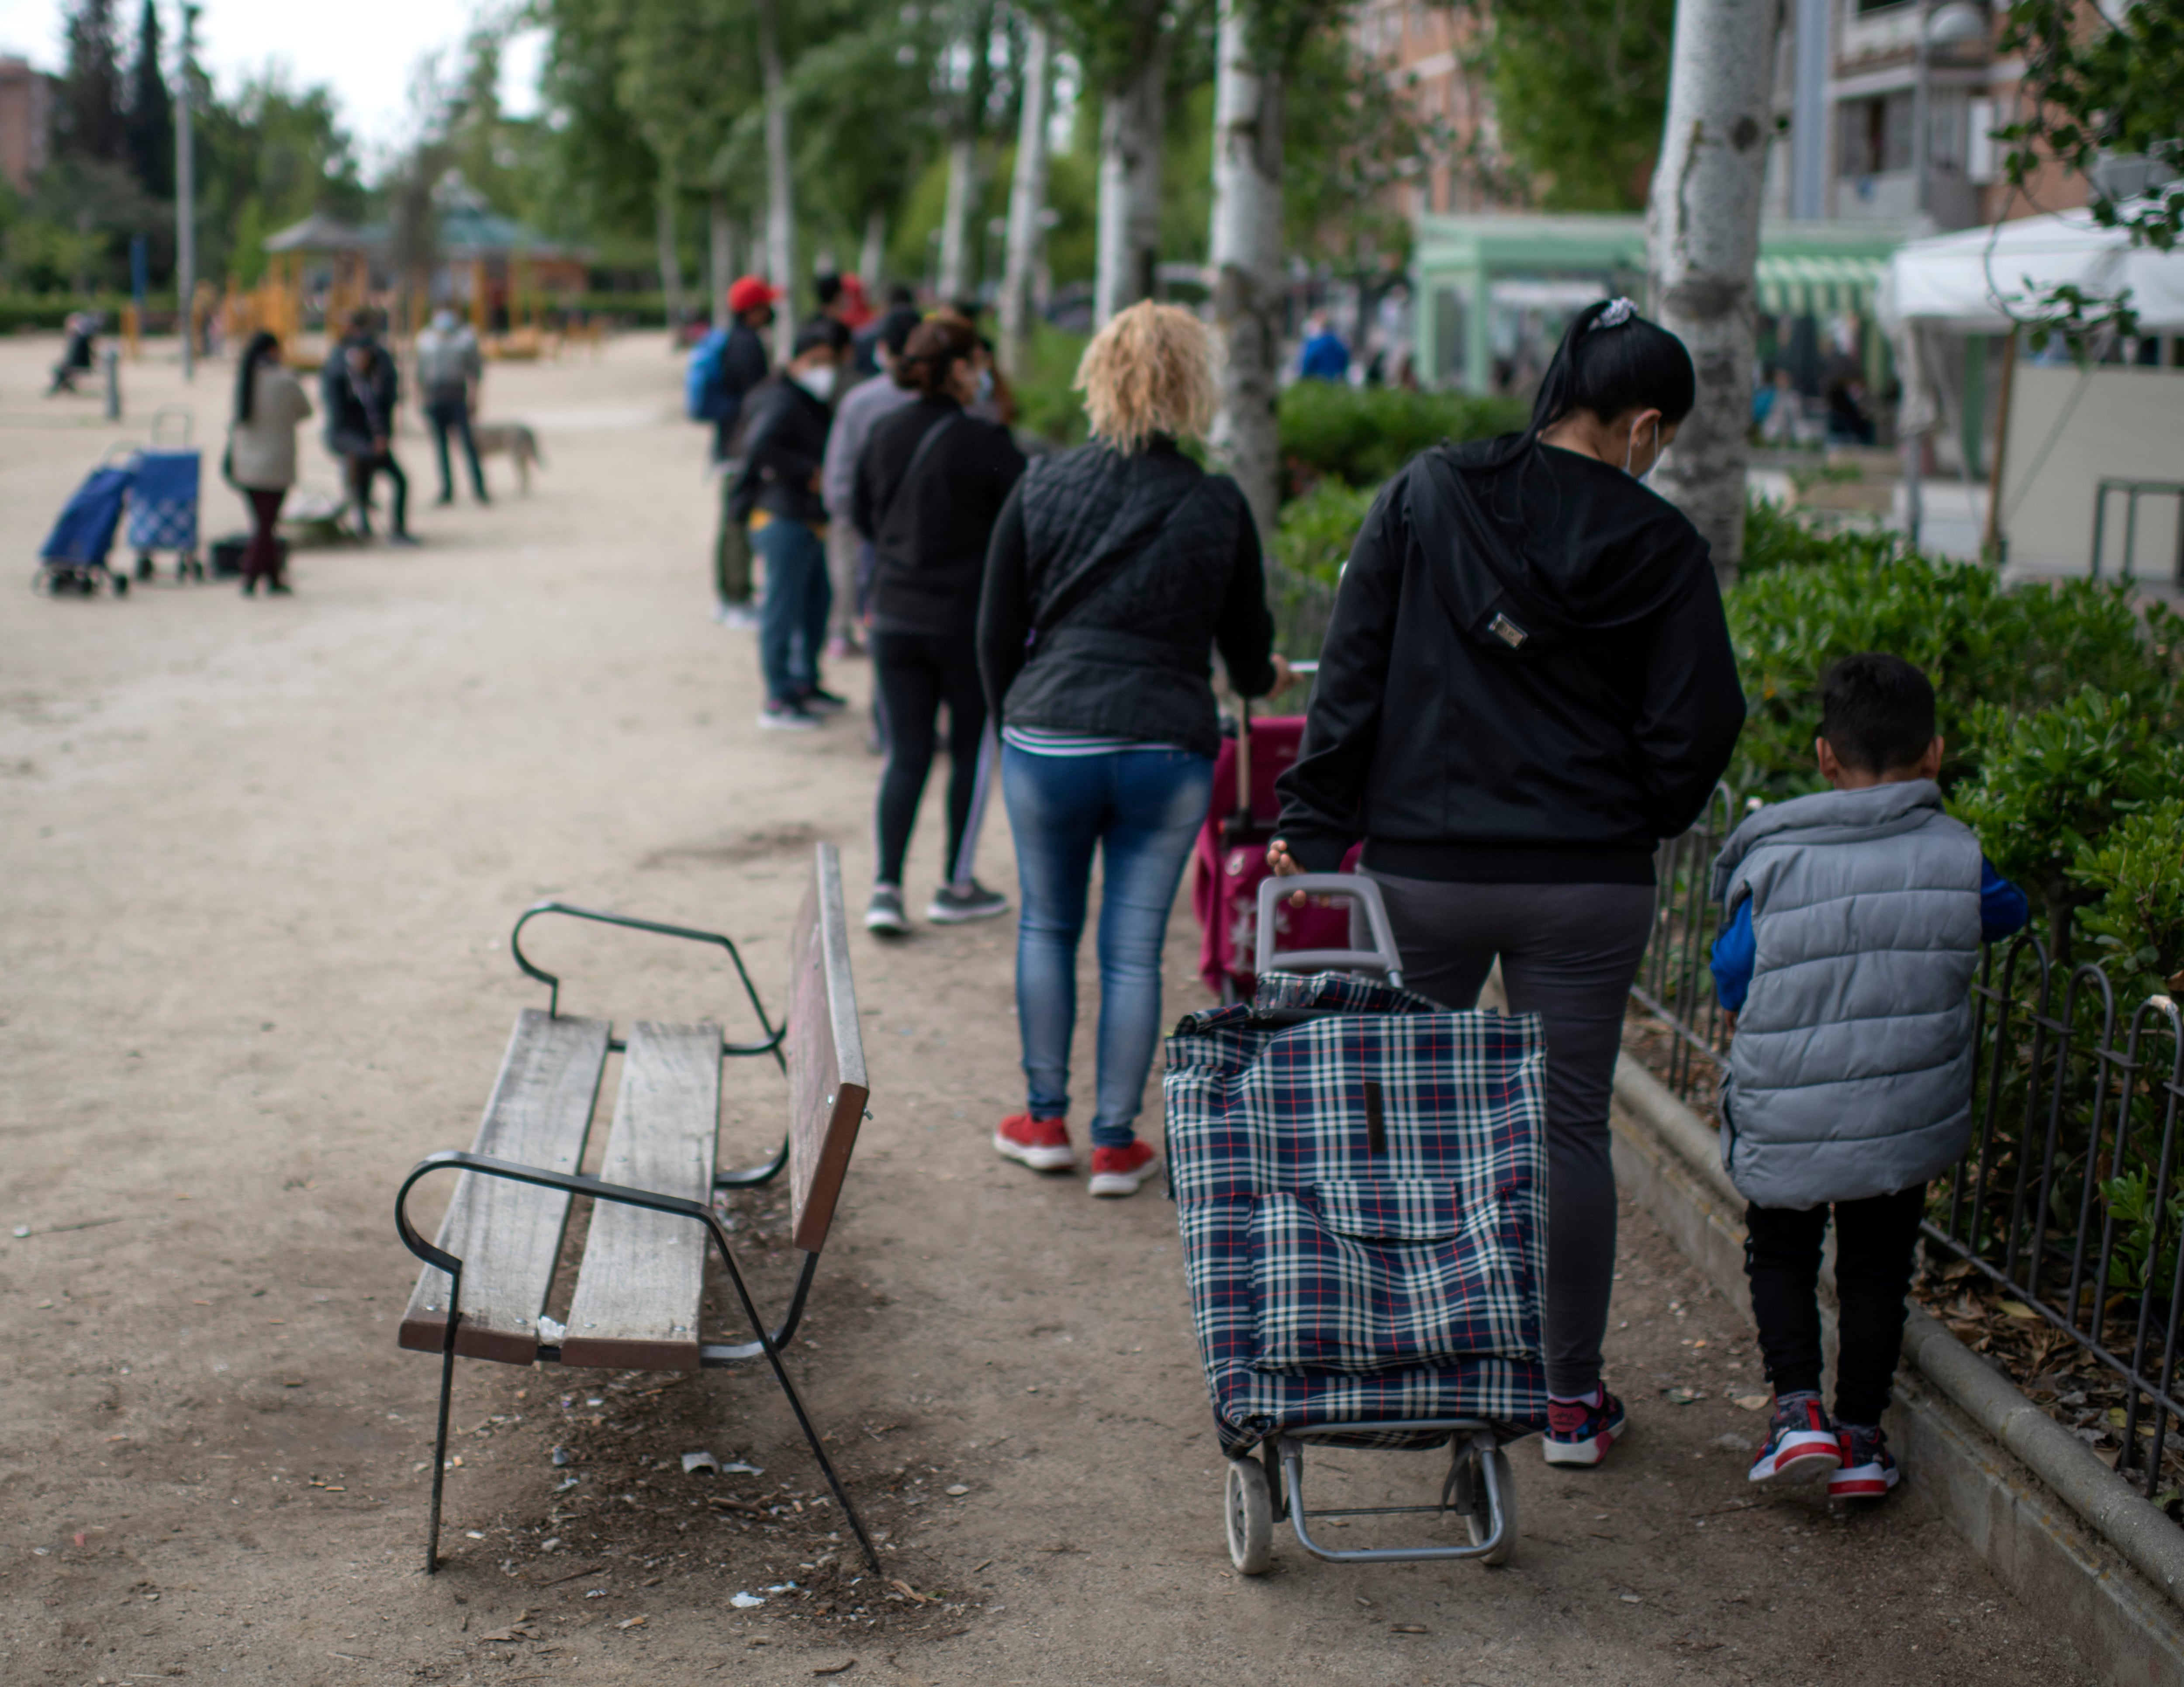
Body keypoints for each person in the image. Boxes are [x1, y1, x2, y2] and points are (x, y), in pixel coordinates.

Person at [1267, 297, 1746, 1465]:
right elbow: (1703, 721)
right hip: (1586, 883)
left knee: (1422, 1124)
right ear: (1640, 420)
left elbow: (1356, 672)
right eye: (1664, 436)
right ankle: (1569, 1403)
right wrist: (1635, 813)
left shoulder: (1430, 495)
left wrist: (1317, 827)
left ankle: (1429, 1373)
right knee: (1569, 1131)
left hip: (1426, 869)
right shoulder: (1661, 545)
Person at [979, 301, 1293, 1200]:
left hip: (1049, 738)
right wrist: (1266, 672)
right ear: (1196, 387)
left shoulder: (1040, 484)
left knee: (1046, 923)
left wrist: (1016, 724)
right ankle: (1117, 1142)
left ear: (1098, 377)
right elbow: (1244, 660)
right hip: (1166, 742)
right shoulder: (1217, 500)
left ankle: (1044, 1120)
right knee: (1132, 947)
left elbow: (994, 632)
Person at [1710, 653, 2028, 1499]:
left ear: (1823, 756)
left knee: (1780, 1250)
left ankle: (1796, 1413)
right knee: (1878, 1265)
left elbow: (1732, 967)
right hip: (1899, 1109)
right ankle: (1859, 1436)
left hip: (1788, 1100)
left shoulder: (1776, 855)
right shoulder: (1957, 854)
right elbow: (2006, 910)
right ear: (1935, 754)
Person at [854, 315, 1026, 935]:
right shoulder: (986, 442)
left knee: (907, 753)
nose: (983, 372)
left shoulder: (883, 431)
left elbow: (862, 514)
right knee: (972, 753)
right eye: (978, 360)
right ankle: (955, 882)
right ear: (957, 368)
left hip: (894, 614)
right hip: (963, 622)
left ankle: (885, 886)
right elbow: (1024, 528)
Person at [734, 318, 850, 730]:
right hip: (782, 516)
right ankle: (778, 697)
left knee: (815, 605)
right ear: (798, 359)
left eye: (829, 361)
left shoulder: (799, 396)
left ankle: (805, 683)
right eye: (817, 361)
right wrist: (808, 471)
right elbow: (759, 445)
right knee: (782, 610)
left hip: (804, 518)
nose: (825, 370)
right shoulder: (780, 399)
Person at [822, 308, 921, 659]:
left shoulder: (862, 400)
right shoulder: (939, 400)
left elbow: (841, 464)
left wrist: (844, 511)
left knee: (852, 575)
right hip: (920, 522)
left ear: (883, 348)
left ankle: (843, 633)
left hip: (867, 516)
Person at [696, 276, 779, 627]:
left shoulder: (734, 341)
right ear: (754, 310)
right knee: (736, 520)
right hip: (740, 446)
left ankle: (732, 595)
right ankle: (736, 598)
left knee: (732, 519)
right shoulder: (747, 346)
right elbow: (756, 400)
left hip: (729, 442)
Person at [225, 329, 313, 596]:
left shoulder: (244, 381)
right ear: (274, 351)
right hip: (275, 465)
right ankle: (250, 575)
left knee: (264, 524)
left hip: (246, 465)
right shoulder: (286, 382)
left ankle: (273, 577)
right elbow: (306, 411)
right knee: (266, 526)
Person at [322, 311, 415, 546]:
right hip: (351, 436)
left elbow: (385, 404)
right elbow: (338, 414)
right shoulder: (342, 373)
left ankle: (397, 528)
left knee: (399, 480)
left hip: (373, 438)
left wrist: (382, 436)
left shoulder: (378, 369)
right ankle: (362, 523)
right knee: (361, 470)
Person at [415, 308, 488, 505]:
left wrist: (473, 398)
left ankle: (479, 488)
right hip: (435, 397)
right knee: (441, 447)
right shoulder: (426, 341)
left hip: (457, 396)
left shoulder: (465, 341)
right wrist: (421, 400)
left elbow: (475, 373)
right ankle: (446, 490)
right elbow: (420, 375)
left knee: (468, 445)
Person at [45, 311, 98, 395]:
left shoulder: (77, 339)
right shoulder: (82, 338)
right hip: (81, 364)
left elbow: (73, 357)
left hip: (77, 364)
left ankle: (56, 388)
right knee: (61, 368)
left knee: (59, 369)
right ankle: (65, 386)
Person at [1298, 312, 1350, 382]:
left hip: (1316, 380)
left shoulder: (1314, 343)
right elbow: (1345, 361)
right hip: (1333, 381)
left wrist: (1303, 377)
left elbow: (1308, 361)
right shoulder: (1340, 344)